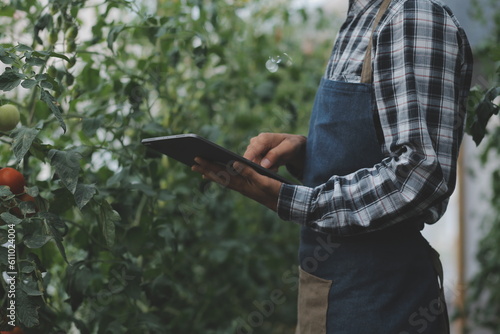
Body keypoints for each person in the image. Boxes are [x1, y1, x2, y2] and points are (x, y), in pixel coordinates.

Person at [192, 0, 473, 332]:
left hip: (383, 302)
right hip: (333, 292)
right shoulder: (363, 15)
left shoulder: (412, 15)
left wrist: (288, 199)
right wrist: (308, 155)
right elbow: (377, 145)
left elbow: (420, 176)